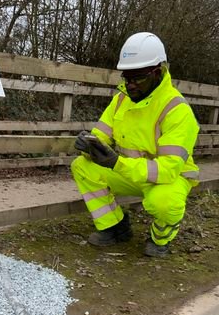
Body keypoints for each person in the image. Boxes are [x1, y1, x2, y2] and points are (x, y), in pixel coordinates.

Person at [71, 32, 200, 257]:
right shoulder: (122, 99)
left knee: (164, 202)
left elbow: (168, 170)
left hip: (168, 180)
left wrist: (116, 163)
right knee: (82, 166)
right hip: (130, 172)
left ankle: (160, 238)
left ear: (158, 72)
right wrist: (91, 144)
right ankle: (115, 227)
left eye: (137, 78)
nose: (129, 85)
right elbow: (101, 133)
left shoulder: (178, 110)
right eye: (126, 77)